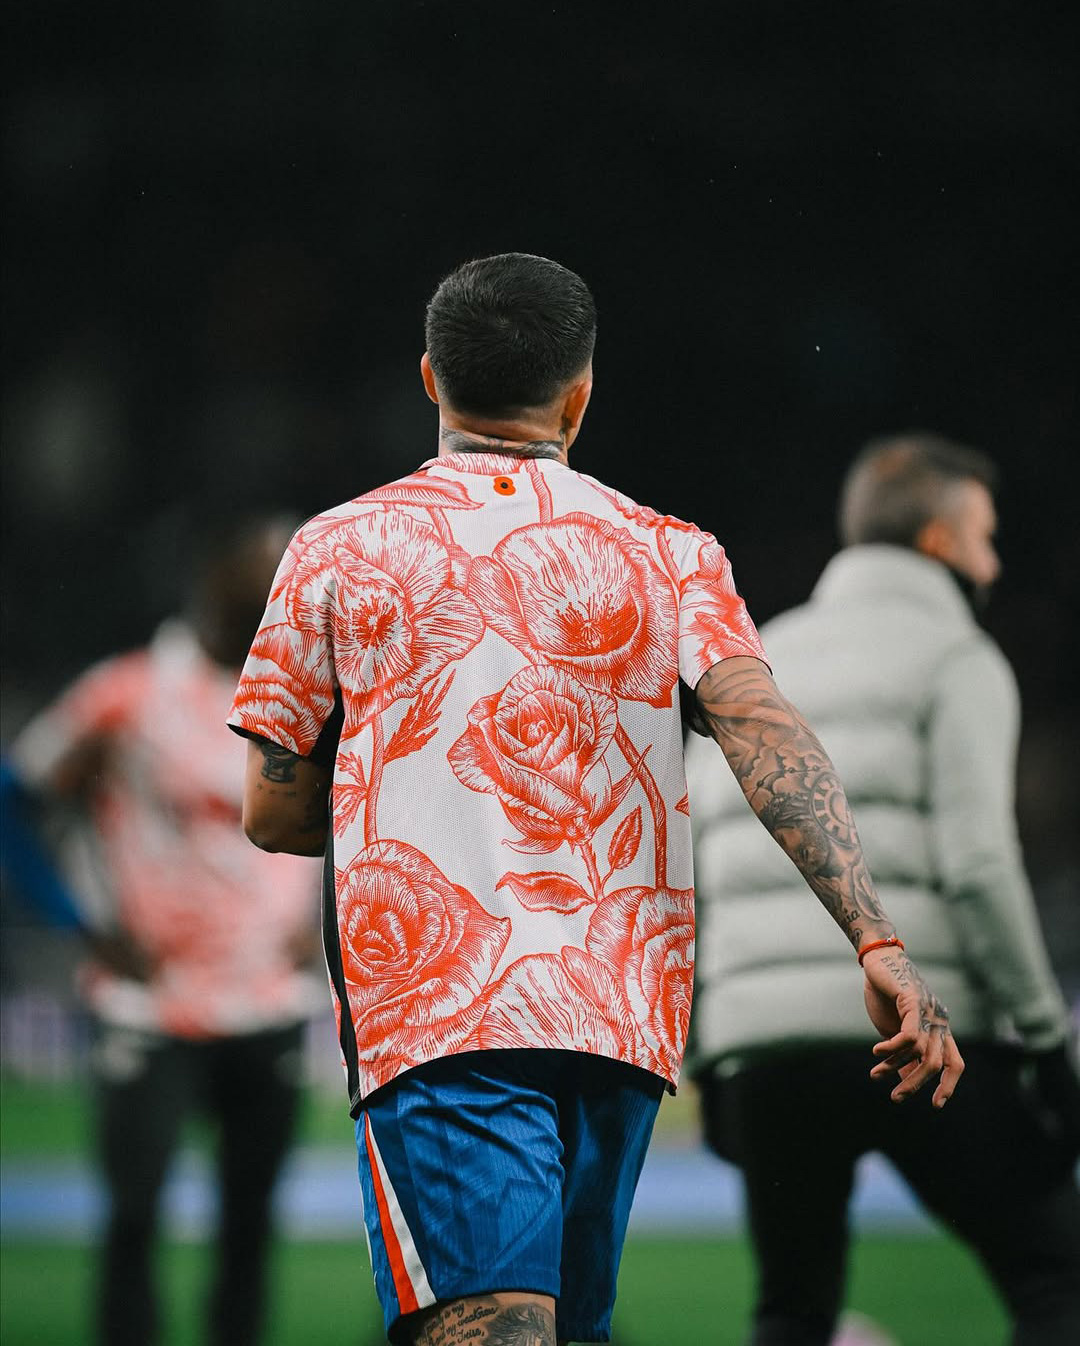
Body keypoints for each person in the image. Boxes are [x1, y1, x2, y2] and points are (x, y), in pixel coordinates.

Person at [228, 254, 962, 1346]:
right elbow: (768, 734)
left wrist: (408, 771)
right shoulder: (673, 553)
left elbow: (271, 809)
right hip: (616, 1025)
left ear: (430, 379)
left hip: (444, 1016)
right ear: (579, 393)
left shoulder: (338, 547)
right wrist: (875, 935)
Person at [685, 432, 1080, 1346]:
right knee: (1054, 1275)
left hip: (765, 1050)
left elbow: (701, 866)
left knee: (793, 1308)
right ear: (940, 542)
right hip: (921, 1032)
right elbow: (979, 864)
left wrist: (714, 1051)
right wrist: (1046, 1038)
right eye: (984, 535)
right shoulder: (957, 657)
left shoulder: (759, 657)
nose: (995, 559)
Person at [1, 517, 324, 1346]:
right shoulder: (127, 693)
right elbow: (17, 796)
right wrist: (80, 920)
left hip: (267, 997)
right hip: (149, 1002)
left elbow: (355, 822)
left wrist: (320, 921)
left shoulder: (310, 699)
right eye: (258, 586)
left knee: (250, 1225)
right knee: (134, 1218)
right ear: (216, 590)